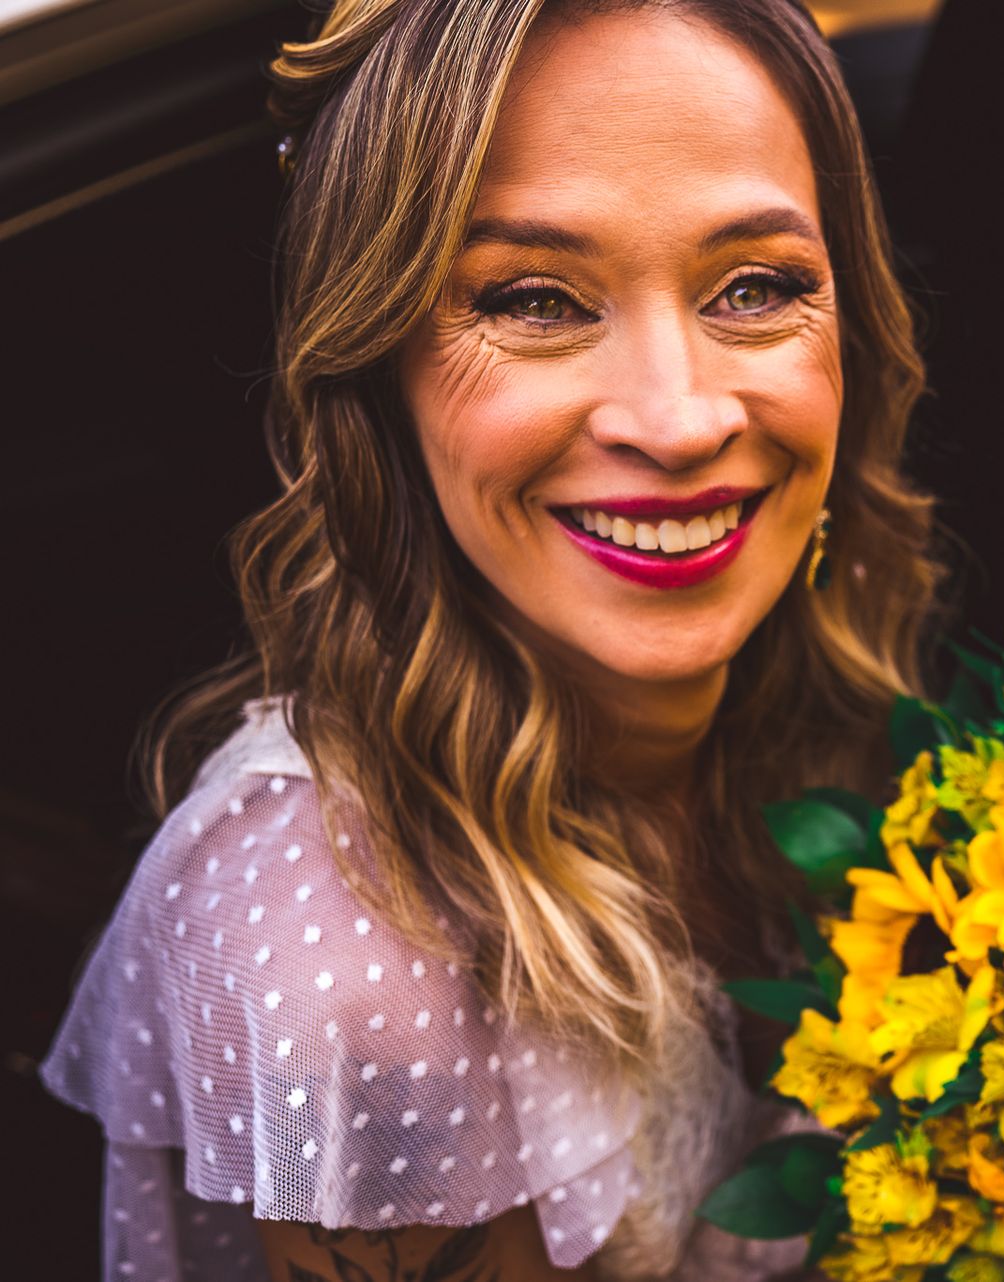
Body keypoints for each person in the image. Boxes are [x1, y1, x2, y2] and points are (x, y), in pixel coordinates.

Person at [38, 0, 948, 1276]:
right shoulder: (347, 987)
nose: (679, 419)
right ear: (379, 369)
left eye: (755, 286)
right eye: (534, 299)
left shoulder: (835, 699)